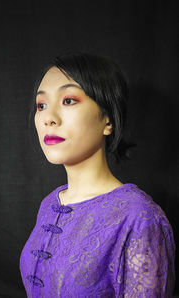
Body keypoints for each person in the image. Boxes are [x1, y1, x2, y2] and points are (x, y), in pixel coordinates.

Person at [19, 52, 175, 297]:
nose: (48, 118)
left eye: (68, 100)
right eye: (41, 105)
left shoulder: (139, 217)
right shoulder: (50, 204)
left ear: (108, 120)